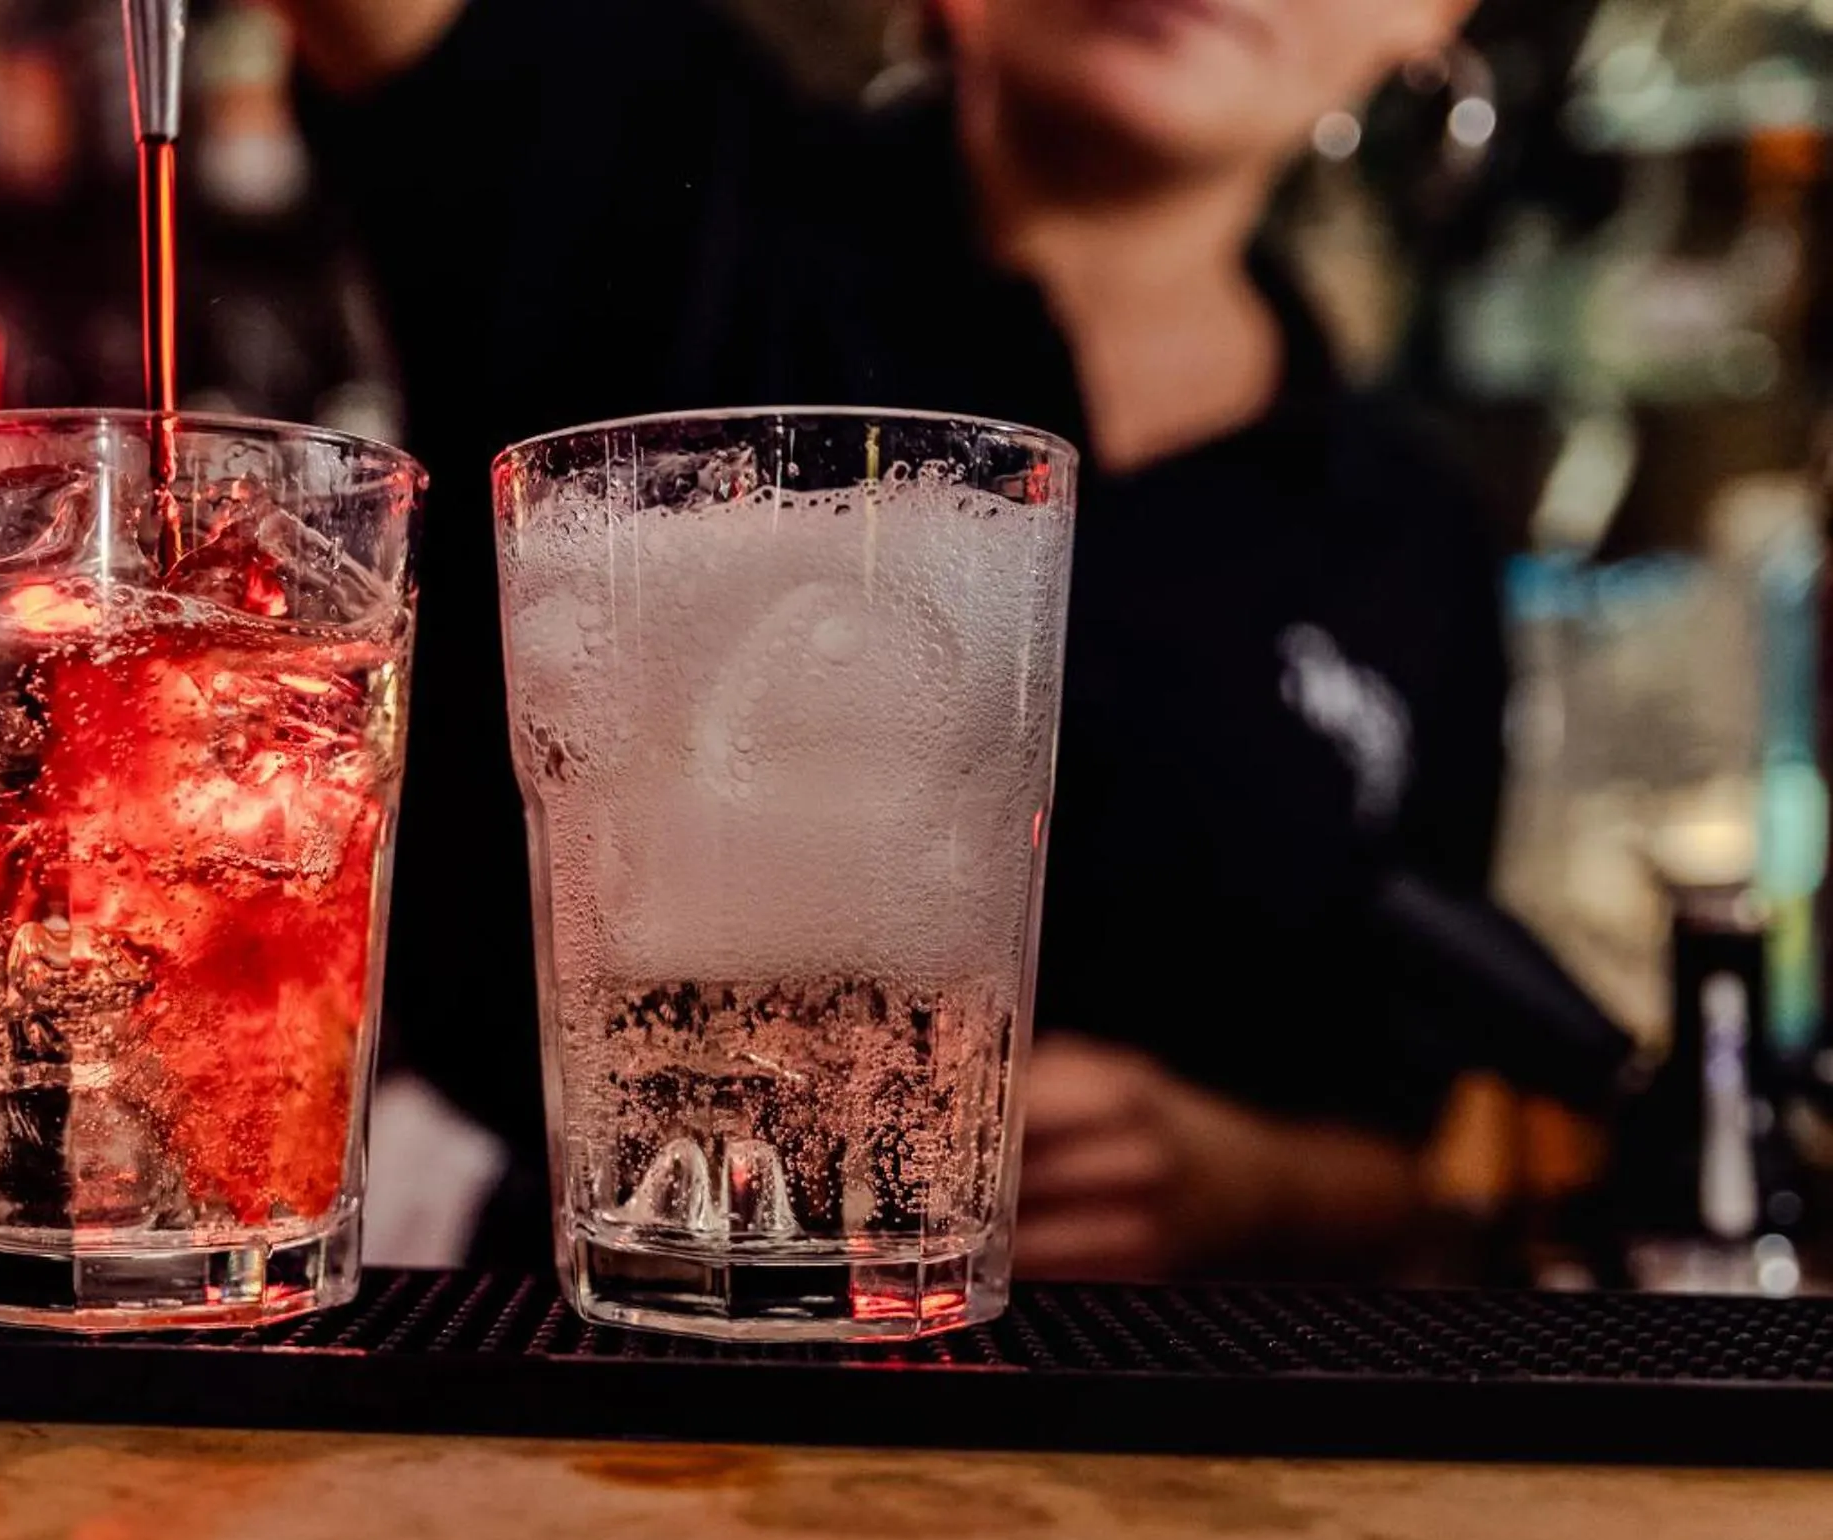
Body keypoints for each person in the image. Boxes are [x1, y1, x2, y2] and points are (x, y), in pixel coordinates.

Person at [284, 0, 1500, 1276]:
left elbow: (1408, 1143)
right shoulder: (658, 174)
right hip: (548, 1337)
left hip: (1163, 1423)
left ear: (1434, 20)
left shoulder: (1418, 538)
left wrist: (1254, 1188)